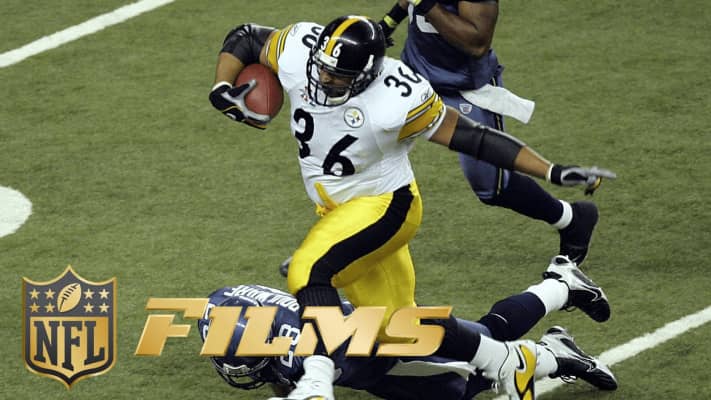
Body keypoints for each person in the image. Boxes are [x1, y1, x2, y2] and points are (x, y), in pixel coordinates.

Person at [208, 15, 616, 399]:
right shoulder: (300, 48)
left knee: (309, 269)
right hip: (338, 211)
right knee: (401, 329)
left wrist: (550, 170)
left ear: (366, 75)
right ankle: (545, 312)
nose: (324, 80)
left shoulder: (397, 96)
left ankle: (316, 383)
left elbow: (473, 138)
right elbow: (247, 38)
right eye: (323, 69)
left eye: (338, 75)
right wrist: (222, 88)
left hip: (386, 205)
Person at [378, 0, 602, 266]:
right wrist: (389, 22)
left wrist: (427, 4)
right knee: (368, 140)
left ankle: (571, 219)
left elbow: (476, 43)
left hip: (463, 87)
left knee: (491, 186)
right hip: (413, 77)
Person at [197, 276, 617, 399]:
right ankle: (559, 296)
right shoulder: (220, 306)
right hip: (361, 336)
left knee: (474, 368)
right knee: (484, 342)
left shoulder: (306, 352)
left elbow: (327, 374)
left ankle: (556, 327)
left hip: (380, 344)